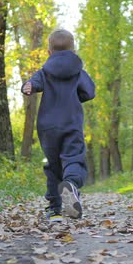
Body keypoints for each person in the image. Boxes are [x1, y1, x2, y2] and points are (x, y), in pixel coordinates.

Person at [21, 29, 96, 222]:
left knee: (53, 166)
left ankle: (54, 210)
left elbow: (33, 83)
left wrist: (28, 87)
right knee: (73, 159)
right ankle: (70, 184)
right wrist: (75, 97)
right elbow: (89, 93)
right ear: (74, 50)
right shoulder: (78, 72)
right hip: (71, 122)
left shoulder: (45, 71)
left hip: (47, 126)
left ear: (49, 52)